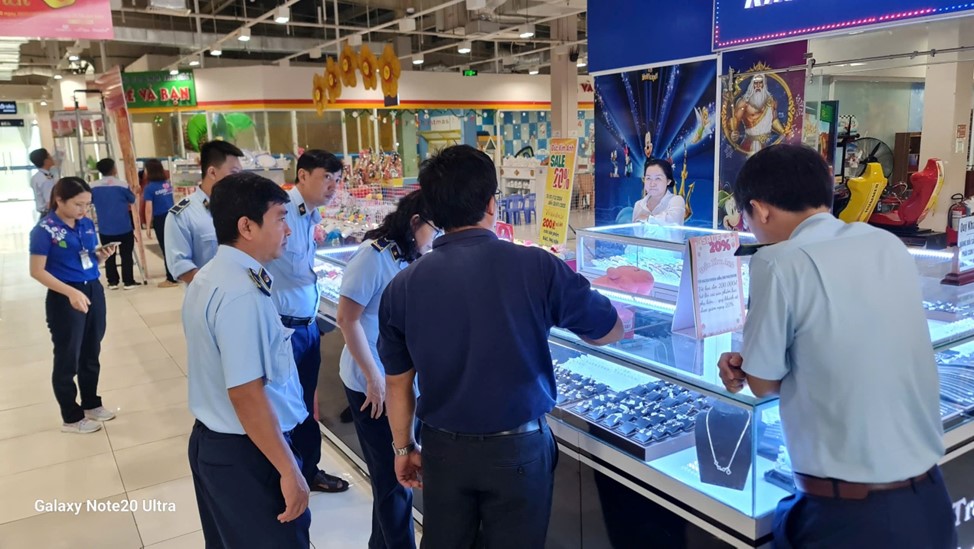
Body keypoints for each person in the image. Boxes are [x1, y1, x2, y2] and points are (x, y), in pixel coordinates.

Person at [378, 145, 624, 548]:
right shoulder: (537, 266)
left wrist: (403, 447)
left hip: (443, 449)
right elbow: (607, 329)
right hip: (520, 448)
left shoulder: (402, 286)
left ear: (433, 211)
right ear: (492, 204)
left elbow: (397, 383)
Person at [716, 144, 956, 548]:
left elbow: (762, 384)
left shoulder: (777, 262)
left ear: (760, 210)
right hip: (930, 500)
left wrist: (747, 365)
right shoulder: (886, 244)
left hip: (850, 519)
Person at [184, 172, 311, 547]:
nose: (288, 230)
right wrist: (288, 469)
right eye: (279, 218)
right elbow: (246, 393)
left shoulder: (211, 275)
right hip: (249, 453)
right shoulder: (242, 292)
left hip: (217, 444)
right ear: (247, 227)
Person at [336, 190, 438, 549]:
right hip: (373, 386)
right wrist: (374, 377)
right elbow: (347, 319)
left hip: (402, 384)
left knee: (393, 481)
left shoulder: (417, 256)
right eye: (435, 228)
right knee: (393, 482)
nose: (438, 237)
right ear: (415, 222)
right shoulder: (373, 256)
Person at [264, 150, 348, 494]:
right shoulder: (282, 214)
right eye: (325, 177)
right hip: (284, 326)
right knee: (286, 405)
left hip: (306, 323)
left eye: (337, 179)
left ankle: (307, 471)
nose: (333, 186)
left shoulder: (310, 215)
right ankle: (286, 474)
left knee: (303, 402)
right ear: (302, 175)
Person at [29, 177, 118, 434]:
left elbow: (86, 259)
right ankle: (71, 416)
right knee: (68, 356)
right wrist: (70, 292)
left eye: (88, 204)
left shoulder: (86, 224)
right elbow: (37, 271)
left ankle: (91, 403)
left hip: (92, 290)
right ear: (59, 200)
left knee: (92, 349)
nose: (84, 210)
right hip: (65, 296)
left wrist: (101, 256)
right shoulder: (44, 230)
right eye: (78, 204)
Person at [165, 140, 244, 284]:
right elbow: (181, 266)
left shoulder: (241, 207)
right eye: (233, 173)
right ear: (212, 172)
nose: (239, 179)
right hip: (207, 294)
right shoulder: (182, 214)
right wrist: (217, 288)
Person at [91, 158, 138, 290]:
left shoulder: (92, 186)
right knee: (126, 254)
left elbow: (90, 201)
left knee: (108, 255)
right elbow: (132, 199)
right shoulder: (122, 185)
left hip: (105, 227)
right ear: (113, 169)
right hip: (124, 226)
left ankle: (112, 282)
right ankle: (128, 281)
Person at [729, 73, 787, 155]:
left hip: (768, 143)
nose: (758, 86)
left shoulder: (771, 101)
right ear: (752, 84)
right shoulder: (743, 102)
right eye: (755, 83)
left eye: (760, 83)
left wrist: (783, 132)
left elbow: (774, 120)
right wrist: (733, 132)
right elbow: (735, 119)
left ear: (764, 84)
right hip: (750, 144)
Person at [142, 159, 178, 288]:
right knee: (174, 247)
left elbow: (149, 208)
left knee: (166, 248)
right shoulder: (167, 184)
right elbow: (173, 201)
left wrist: (147, 226)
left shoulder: (149, 188)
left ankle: (171, 279)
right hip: (173, 216)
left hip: (161, 219)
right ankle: (177, 274)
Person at [631, 158, 686, 225]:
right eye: (648, 178)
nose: (652, 184)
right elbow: (634, 230)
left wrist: (648, 218)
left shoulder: (676, 200)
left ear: (668, 181)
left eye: (658, 178)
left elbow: (673, 222)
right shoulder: (638, 205)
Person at [29, 148, 56, 217]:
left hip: (44, 213)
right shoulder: (46, 179)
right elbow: (49, 201)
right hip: (49, 213)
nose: (52, 158)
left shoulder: (36, 177)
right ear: (46, 161)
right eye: (49, 156)